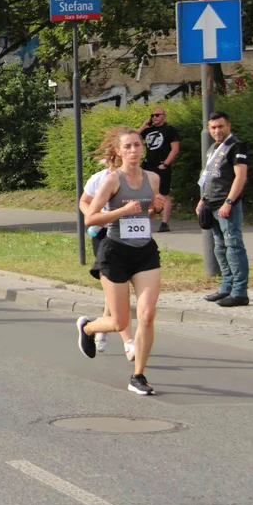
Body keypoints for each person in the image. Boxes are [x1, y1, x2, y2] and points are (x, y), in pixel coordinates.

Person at [78, 127, 164, 396]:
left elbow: (147, 215)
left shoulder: (153, 178)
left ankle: (138, 376)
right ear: (118, 152)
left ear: (143, 148)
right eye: (127, 147)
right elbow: (90, 218)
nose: (134, 150)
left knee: (147, 315)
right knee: (119, 322)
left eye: (137, 145)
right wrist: (121, 211)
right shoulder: (112, 181)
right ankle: (89, 328)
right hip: (115, 251)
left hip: (145, 251)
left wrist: (156, 209)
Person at [80, 129, 135, 361]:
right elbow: (84, 202)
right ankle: (128, 342)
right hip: (103, 235)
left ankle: (98, 327)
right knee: (115, 288)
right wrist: (93, 215)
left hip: (128, 237)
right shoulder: (100, 178)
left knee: (115, 291)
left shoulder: (137, 178)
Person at [199, 111, 250, 307]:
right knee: (219, 248)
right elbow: (208, 175)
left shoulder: (236, 146)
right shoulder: (213, 148)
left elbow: (240, 177)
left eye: (220, 126)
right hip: (211, 204)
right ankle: (226, 287)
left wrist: (228, 202)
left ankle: (239, 292)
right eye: (213, 127)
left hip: (226, 205)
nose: (216, 130)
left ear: (228, 126)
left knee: (234, 247)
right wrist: (202, 199)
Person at [139, 107, 180, 232]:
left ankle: (164, 223)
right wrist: (143, 127)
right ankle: (144, 220)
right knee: (144, 193)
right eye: (152, 115)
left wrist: (166, 164)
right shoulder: (148, 130)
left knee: (163, 194)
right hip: (148, 165)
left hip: (161, 165)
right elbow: (133, 138)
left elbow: (175, 149)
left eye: (157, 115)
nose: (154, 117)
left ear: (164, 116)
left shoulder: (170, 130)